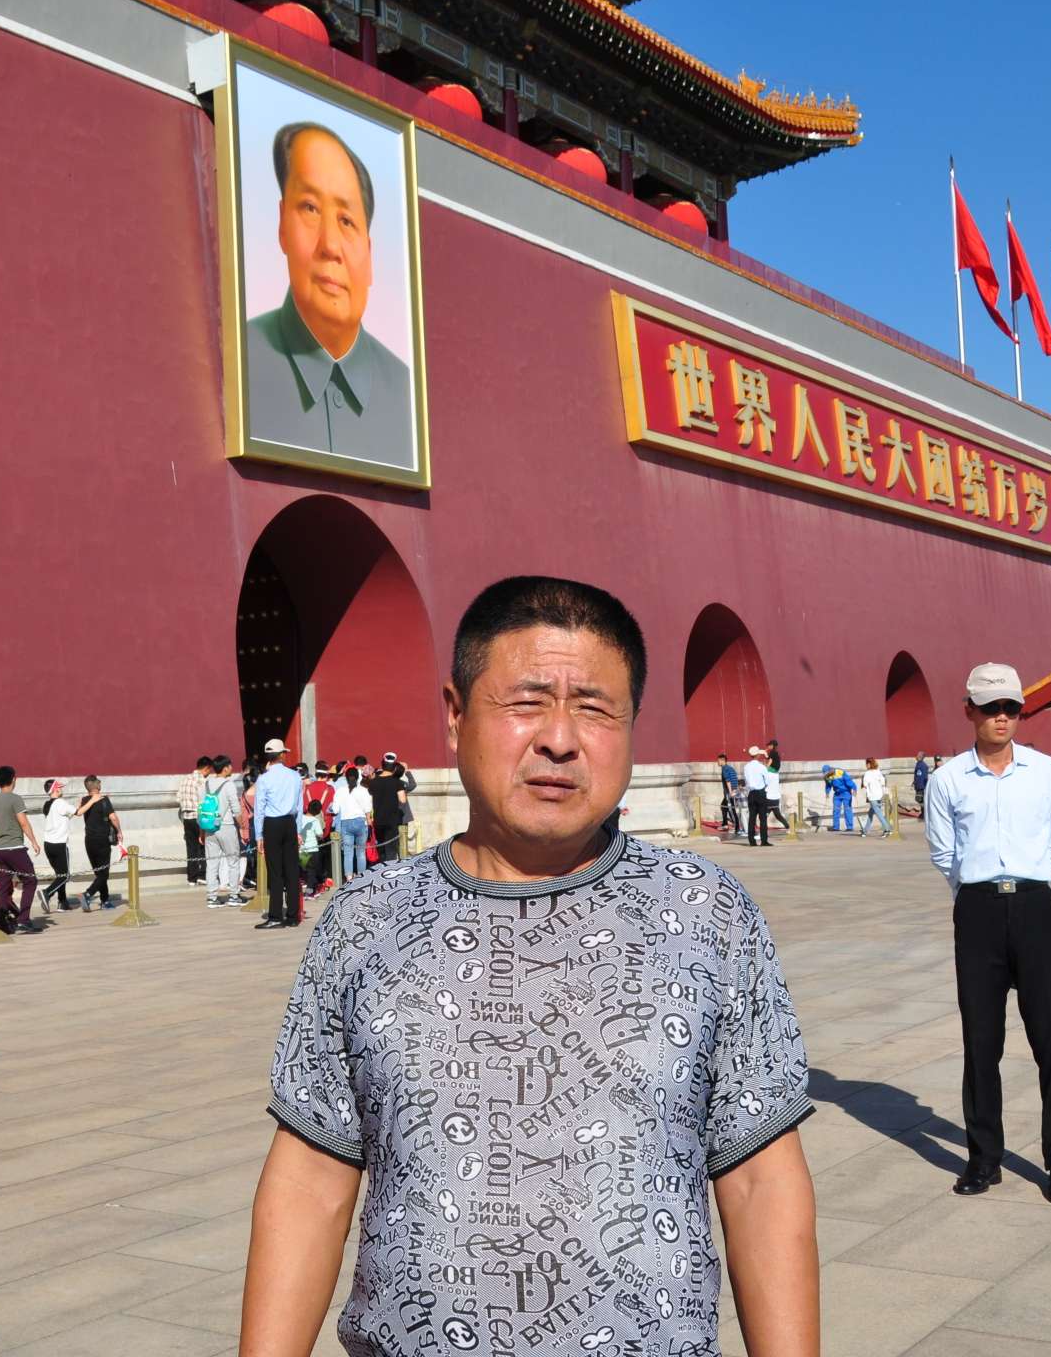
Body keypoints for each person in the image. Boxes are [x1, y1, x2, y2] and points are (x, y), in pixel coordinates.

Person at [244, 576, 816, 1357]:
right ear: (455, 714)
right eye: (527, 702)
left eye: (595, 708)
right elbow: (312, 1177)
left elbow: (759, 1179)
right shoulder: (364, 919)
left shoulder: (707, 912)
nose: (559, 739)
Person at [923, 664, 1051, 1205]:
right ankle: (984, 1158)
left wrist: (1030, 881)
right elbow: (944, 851)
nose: (1002, 717)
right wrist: (975, 892)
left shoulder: (1044, 772)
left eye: (1011, 707)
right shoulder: (947, 779)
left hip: (1035, 907)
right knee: (981, 1042)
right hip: (978, 912)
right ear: (969, 710)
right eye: (991, 708)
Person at [242, 122, 413, 467]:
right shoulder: (239, 359)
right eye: (310, 208)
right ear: (282, 224)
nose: (330, 246)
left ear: (370, 255)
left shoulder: (406, 394)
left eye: (347, 221)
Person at [0, 766, 48, 934]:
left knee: (3, 886)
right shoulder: (15, 799)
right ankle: (23, 919)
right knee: (30, 880)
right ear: (13, 779)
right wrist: (33, 841)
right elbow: (23, 822)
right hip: (15, 848)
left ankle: (1, 924)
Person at [253, 740, 306, 931]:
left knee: (275, 872)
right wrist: (298, 830)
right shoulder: (295, 776)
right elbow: (299, 807)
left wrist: (259, 835)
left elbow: (259, 810)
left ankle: (275, 916)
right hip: (289, 823)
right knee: (292, 870)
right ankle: (293, 915)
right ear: (282, 754)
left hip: (272, 824)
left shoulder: (263, 779)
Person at [204, 756, 249, 907]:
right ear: (225, 768)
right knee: (233, 861)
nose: (231, 768)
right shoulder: (228, 785)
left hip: (209, 827)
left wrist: (202, 831)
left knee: (211, 863)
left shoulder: (206, 784)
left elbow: (201, 809)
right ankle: (234, 895)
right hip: (226, 826)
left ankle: (212, 897)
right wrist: (242, 826)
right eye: (230, 766)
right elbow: (236, 809)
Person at [76, 775, 121, 911]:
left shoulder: (84, 800)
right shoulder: (103, 799)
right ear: (96, 785)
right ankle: (87, 894)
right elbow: (113, 818)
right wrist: (119, 831)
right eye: (99, 782)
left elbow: (78, 811)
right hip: (102, 840)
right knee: (104, 873)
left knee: (99, 873)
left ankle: (105, 901)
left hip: (89, 840)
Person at [37, 780, 77, 912]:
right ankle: (47, 893)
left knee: (60, 874)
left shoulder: (48, 805)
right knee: (64, 876)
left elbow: (64, 818)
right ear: (55, 789)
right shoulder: (60, 803)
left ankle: (62, 902)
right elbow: (79, 812)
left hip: (48, 845)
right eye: (59, 787)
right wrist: (92, 801)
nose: (61, 789)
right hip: (59, 845)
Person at [330, 764, 370, 883]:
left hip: (345, 822)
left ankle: (349, 878)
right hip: (361, 821)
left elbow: (335, 810)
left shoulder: (340, 791)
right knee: (361, 852)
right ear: (358, 777)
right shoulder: (363, 790)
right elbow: (368, 808)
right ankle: (361, 878)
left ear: (346, 778)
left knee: (348, 853)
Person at [178, 756, 213, 888]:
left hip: (187, 818)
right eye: (209, 770)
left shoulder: (185, 780)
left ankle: (191, 878)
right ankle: (202, 875)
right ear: (206, 768)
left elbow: (178, 798)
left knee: (191, 848)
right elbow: (204, 802)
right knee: (203, 845)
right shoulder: (203, 781)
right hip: (198, 817)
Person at [364, 757, 406, 861]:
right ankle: (390, 869)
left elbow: (369, 799)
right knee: (391, 849)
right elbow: (403, 800)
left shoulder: (373, 782)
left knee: (381, 848)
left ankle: (382, 867)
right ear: (394, 767)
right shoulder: (397, 782)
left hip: (378, 819)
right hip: (392, 820)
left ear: (382, 765)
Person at [743, 744, 773, 846]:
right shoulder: (761, 767)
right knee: (763, 818)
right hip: (760, 793)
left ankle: (752, 841)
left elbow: (746, 781)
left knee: (752, 818)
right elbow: (767, 781)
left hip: (751, 793)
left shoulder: (746, 767)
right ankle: (764, 840)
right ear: (758, 755)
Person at [860, 757, 891, 837]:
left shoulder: (867, 773)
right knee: (871, 813)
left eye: (866, 764)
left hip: (872, 796)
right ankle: (865, 831)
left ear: (869, 764)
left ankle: (887, 829)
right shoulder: (878, 772)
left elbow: (865, 785)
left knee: (878, 813)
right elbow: (883, 782)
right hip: (879, 795)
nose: (866, 765)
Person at [716, 751, 743, 837]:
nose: (717, 762)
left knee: (732, 809)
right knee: (723, 806)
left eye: (718, 761)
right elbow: (735, 778)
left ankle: (737, 828)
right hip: (734, 790)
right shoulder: (730, 768)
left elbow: (728, 781)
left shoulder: (724, 769)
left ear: (722, 760)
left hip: (729, 792)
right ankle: (725, 824)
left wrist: (731, 791)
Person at [826, 763, 857, 832]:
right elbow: (828, 785)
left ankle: (849, 827)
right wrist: (827, 792)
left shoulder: (840, 772)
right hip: (837, 794)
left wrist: (854, 788)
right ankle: (836, 827)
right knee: (836, 810)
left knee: (847, 809)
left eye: (827, 773)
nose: (827, 774)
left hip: (846, 793)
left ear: (830, 770)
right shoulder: (827, 776)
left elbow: (849, 781)